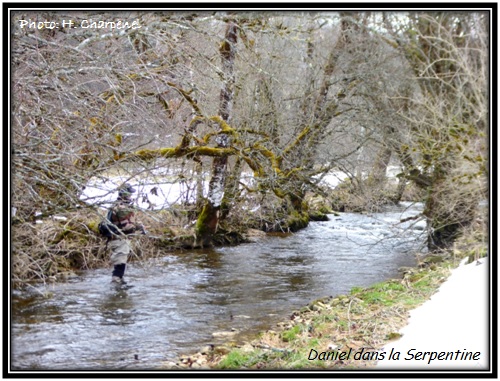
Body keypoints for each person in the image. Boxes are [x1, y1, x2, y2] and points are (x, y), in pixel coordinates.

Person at [107, 183, 144, 285]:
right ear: (124, 194)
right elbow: (125, 227)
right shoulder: (122, 208)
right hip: (119, 239)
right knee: (120, 262)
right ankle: (116, 283)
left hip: (117, 238)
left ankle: (119, 281)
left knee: (121, 261)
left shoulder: (118, 205)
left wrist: (137, 224)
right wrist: (138, 227)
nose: (131, 196)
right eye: (129, 194)